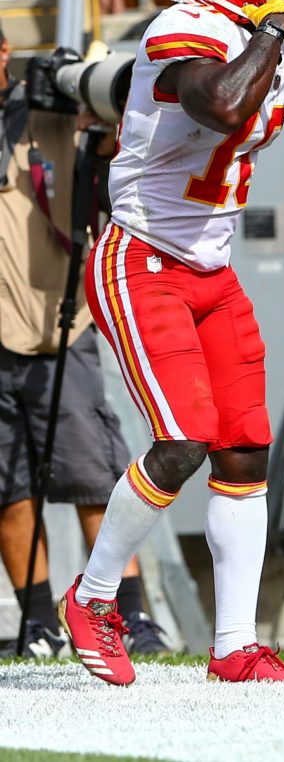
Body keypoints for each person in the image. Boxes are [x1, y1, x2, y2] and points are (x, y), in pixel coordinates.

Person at [56, 0, 284, 686]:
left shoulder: (262, 33)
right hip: (143, 259)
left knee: (243, 446)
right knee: (183, 438)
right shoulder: (179, 29)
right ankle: (93, 598)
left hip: (211, 270)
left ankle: (234, 645)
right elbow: (222, 100)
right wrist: (275, 29)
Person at [0, 32, 169, 658]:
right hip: (0, 338)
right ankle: (38, 623)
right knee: (8, 489)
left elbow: (114, 145)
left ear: (5, 52)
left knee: (94, 476)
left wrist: (94, 101)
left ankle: (128, 616)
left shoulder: (49, 112)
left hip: (57, 327)